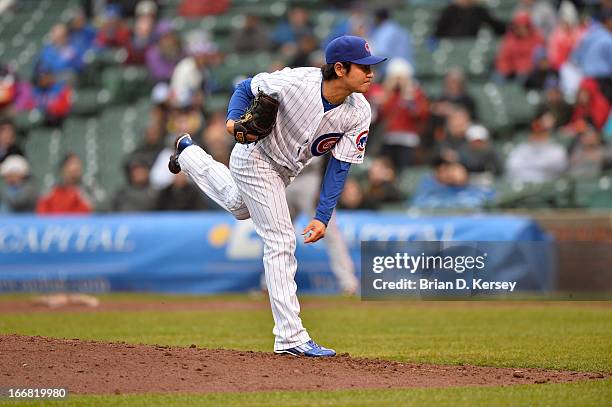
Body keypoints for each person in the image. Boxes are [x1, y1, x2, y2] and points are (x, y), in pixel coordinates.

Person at [168, 35, 386, 356]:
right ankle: (290, 336)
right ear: (340, 68)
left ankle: (187, 153)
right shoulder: (297, 82)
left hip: (287, 170)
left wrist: (322, 216)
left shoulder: (358, 112)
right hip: (255, 156)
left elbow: (339, 166)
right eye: (363, 67)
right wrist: (231, 124)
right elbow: (245, 87)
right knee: (281, 239)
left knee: (237, 205)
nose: (371, 73)